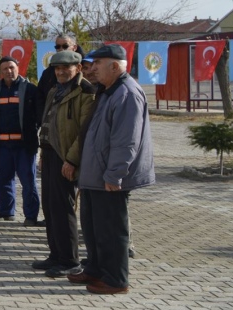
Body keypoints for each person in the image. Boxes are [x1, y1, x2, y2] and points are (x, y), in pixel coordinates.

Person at [73, 44, 154, 294]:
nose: (93, 68)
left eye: (98, 64)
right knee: (94, 228)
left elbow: (126, 140)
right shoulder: (107, 90)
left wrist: (114, 174)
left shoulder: (127, 93)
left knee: (111, 230)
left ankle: (116, 280)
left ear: (115, 66)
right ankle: (96, 270)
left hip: (108, 177)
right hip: (94, 176)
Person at [33, 49, 96, 278]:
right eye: (57, 69)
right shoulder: (54, 90)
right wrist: (42, 153)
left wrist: (71, 160)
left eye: (65, 68)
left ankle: (70, 260)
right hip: (49, 154)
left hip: (66, 157)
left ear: (77, 69)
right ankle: (56, 255)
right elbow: (48, 123)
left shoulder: (86, 92)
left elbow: (84, 132)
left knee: (64, 209)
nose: (60, 72)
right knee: (50, 207)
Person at [0, 56, 41, 224]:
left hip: (24, 146)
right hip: (3, 145)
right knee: (3, 179)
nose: (8, 71)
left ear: (18, 68)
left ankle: (31, 216)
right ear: (0, 72)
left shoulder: (30, 89)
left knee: (28, 181)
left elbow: (39, 116)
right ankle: (5, 211)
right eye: (4, 69)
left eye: (11, 67)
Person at [37, 34, 81, 109]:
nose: (61, 49)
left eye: (65, 46)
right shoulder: (47, 73)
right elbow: (39, 98)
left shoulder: (87, 67)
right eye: (58, 47)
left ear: (74, 47)